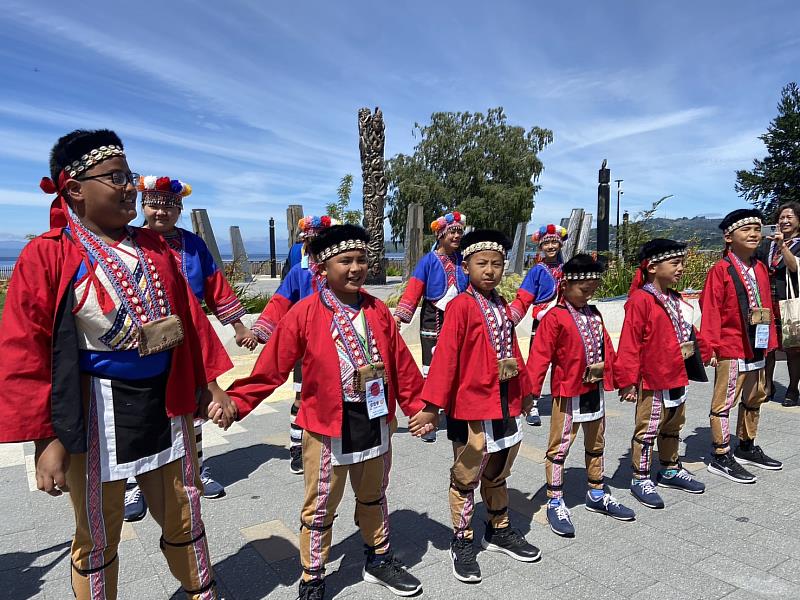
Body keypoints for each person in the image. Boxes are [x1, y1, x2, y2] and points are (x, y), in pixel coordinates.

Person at [0, 129, 233, 599]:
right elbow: (23, 351)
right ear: (73, 189)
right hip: (95, 409)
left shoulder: (153, 248)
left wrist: (210, 384)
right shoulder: (48, 255)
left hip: (165, 402)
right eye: (117, 177)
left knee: (183, 510)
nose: (130, 187)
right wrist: (47, 439)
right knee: (97, 530)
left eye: (129, 176)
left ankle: (201, 591)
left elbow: (188, 317)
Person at [223, 224, 432, 600]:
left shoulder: (378, 312)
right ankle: (313, 575)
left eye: (362, 260)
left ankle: (379, 558)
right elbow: (270, 368)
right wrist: (237, 403)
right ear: (321, 267)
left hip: (375, 419)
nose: (355, 268)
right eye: (345, 261)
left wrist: (420, 407)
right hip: (325, 427)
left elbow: (401, 364)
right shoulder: (304, 313)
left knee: (374, 496)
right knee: (320, 506)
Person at [121, 175, 255, 521]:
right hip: (145, 339)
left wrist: (238, 325)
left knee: (196, 405)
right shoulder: (128, 242)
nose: (161, 211)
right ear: (143, 206)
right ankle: (135, 484)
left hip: (190, 337)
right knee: (145, 409)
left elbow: (216, 286)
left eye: (169, 205)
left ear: (179, 209)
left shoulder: (194, 246)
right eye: (154, 204)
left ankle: (195, 470)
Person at [418, 229, 542, 584]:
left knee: (499, 468)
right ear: (467, 266)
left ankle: (498, 529)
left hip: (504, 402)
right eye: (481, 263)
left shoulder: (502, 305)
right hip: (471, 406)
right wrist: (431, 406)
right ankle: (462, 539)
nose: (489, 270)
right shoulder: (460, 306)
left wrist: (528, 390)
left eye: (497, 264)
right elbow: (446, 359)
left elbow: (513, 353)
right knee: (467, 473)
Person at [528, 254, 636, 538]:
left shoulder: (594, 314)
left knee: (597, 442)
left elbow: (608, 350)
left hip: (594, 392)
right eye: (583, 290)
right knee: (559, 447)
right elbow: (539, 358)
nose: (588, 295)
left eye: (593, 290)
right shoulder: (554, 318)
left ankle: (597, 492)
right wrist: (529, 395)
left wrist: (625, 382)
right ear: (565, 285)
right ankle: (554, 500)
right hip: (568, 394)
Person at [616, 239, 707, 510]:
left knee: (674, 424)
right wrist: (627, 381)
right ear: (653, 267)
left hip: (677, 373)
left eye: (682, 263)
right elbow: (630, 343)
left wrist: (710, 348)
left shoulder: (675, 298)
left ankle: (669, 469)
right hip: (652, 378)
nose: (681, 268)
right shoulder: (641, 300)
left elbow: (690, 331)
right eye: (675, 263)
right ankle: (640, 477)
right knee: (648, 428)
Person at [700, 208, 783, 483]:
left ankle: (746, 445)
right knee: (724, 402)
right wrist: (710, 346)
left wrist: (770, 338)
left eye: (757, 229)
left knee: (755, 396)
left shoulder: (759, 267)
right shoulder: (721, 269)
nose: (754, 234)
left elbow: (767, 306)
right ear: (728, 236)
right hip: (731, 345)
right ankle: (720, 454)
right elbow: (710, 308)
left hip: (757, 344)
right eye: (746, 229)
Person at [251, 215, 332, 474]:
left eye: (321, 239)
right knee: (301, 397)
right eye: (311, 239)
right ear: (305, 241)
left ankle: (331, 446)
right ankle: (297, 447)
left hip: (338, 343)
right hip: (307, 345)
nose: (316, 243)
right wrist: (260, 331)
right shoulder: (300, 271)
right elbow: (280, 301)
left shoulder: (339, 268)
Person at [394, 211, 469, 442]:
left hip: (459, 317)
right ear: (440, 234)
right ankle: (429, 418)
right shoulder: (429, 261)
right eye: (452, 232)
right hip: (433, 317)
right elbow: (415, 288)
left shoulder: (462, 259)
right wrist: (399, 317)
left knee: (457, 365)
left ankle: (456, 410)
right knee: (431, 367)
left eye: (459, 231)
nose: (456, 236)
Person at [509, 224, 566, 426]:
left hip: (565, 323)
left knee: (565, 363)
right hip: (542, 323)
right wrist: (511, 318)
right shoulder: (536, 271)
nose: (551, 246)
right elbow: (524, 297)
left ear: (559, 244)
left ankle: (565, 402)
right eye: (547, 243)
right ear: (541, 247)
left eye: (554, 242)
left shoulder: (567, 269)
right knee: (537, 364)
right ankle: (531, 404)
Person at [757, 202, 800, 406]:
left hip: (790, 302)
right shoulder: (767, 244)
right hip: (768, 300)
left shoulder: (797, 244)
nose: (784, 221)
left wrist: (783, 245)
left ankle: (792, 389)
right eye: (781, 218)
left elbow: (794, 267)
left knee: (793, 348)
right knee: (768, 347)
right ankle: (767, 386)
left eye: (789, 217)